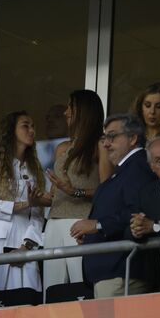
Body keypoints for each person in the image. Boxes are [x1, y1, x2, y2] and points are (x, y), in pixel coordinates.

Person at [71, 114, 157, 298]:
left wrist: (98, 225)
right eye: (104, 138)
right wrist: (92, 235)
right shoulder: (125, 170)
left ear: (132, 138)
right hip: (112, 272)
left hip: (121, 272)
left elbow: (137, 211)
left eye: (112, 136)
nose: (106, 144)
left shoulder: (138, 167)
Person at [0, 111, 48, 291]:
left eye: (33, 126)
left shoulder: (35, 170)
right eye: (25, 126)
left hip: (24, 244)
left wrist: (27, 246)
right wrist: (27, 204)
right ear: (10, 131)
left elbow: (38, 216)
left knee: (28, 302)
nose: (31, 130)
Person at [43, 89, 107, 289]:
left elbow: (107, 191)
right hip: (53, 222)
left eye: (71, 107)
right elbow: (56, 194)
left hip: (79, 223)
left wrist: (76, 192)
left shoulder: (101, 145)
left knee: (80, 287)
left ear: (84, 111)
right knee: (51, 290)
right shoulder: (62, 148)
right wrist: (35, 200)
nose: (66, 112)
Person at [128, 137, 160, 291]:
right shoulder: (146, 193)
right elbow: (130, 229)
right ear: (151, 166)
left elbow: (152, 226)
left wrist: (155, 227)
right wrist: (137, 229)